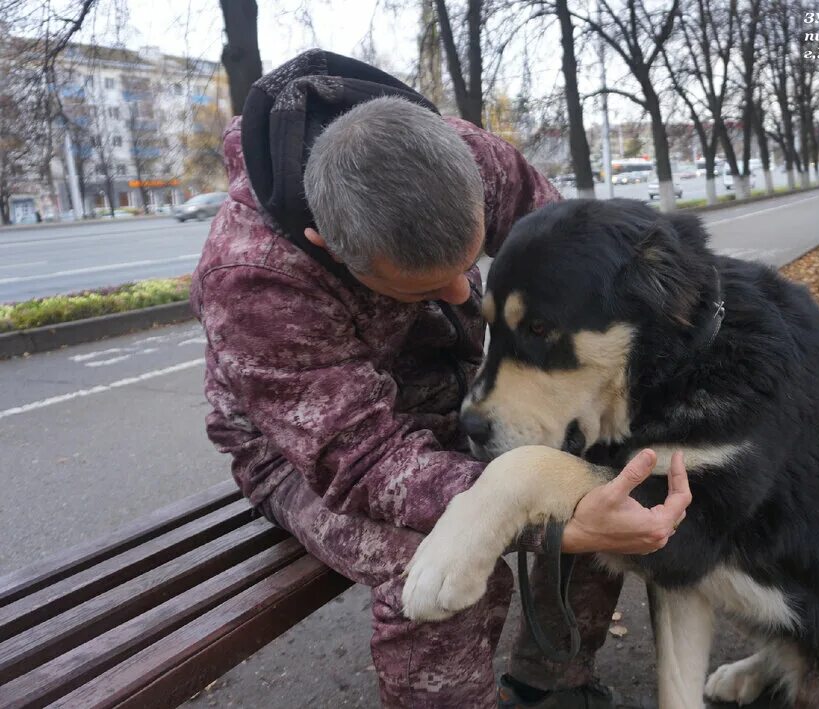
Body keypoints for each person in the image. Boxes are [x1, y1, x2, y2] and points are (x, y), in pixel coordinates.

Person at [191, 50, 691, 708]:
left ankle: (553, 681)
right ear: (325, 244)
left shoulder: (462, 157)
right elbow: (362, 460)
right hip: (301, 451)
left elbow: (572, 259)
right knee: (436, 563)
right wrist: (536, 519)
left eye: (469, 261)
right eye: (426, 286)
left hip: (445, 391)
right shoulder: (254, 278)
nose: (461, 293)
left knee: (595, 463)